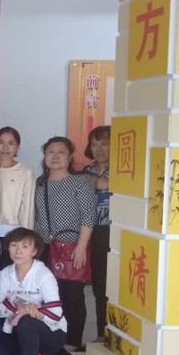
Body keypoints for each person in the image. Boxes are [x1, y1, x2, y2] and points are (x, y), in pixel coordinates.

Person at [34, 136, 96, 355]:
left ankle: (72, 341)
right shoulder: (40, 183)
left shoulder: (80, 182)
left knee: (73, 295)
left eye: (61, 152)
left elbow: (88, 216)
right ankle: (55, 337)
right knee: (52, 293)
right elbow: (37, 217)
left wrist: (81, 247)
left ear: (70, 157)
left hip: (72, 245)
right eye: (51, 151)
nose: (55, 156)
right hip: (46, 246)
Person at [0, 228, 67, 355]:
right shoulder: (5, 273)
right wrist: (22, 308)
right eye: (14, 245)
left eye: (24, 246)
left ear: (34, 251)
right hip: (15, 329)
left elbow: (55, 312)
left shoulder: (43, 274)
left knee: (27, 322)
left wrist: (31, 312)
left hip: (51, 333)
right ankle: (30, 354)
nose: (18, 251)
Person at [0, 126, 35, 274]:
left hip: (15, 236)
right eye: (1, 142)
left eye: (11, 143)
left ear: (17, 147)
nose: (5, 147)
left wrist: (25, 239)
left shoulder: (25, 172)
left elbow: (27, 208)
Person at [83, 125, 111, 342]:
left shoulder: (123, 169)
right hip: (90, 231)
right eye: (94, 144)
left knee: (113, 284)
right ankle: (102, 334)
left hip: (112, 231)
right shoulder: (87, 171)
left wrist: (99, 183)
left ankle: (112, 333)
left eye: (104, 144)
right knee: (98, 284)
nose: (98, 149)